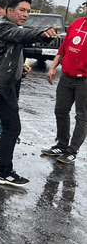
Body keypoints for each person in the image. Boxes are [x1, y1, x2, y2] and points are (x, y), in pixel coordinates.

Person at [0, 0, 60, 187]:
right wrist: (43, 31)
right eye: (22, 10)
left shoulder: (12, 29)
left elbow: (13, 48)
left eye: (28, 11)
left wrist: (21, 69)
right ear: (9, 11)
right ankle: (3, 172)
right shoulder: (5, 27)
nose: (26, 15)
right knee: (12, 128)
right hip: (0, 87)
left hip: (1, 84)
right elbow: (24, 34)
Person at [41, 10, 87, 165]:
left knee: (82, 116)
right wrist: (53, 67)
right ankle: (61, 145)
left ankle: (72, 151)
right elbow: (64, 48)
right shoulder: (77, 23)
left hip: (84, 81)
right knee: (60, 110)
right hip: (67, 77)